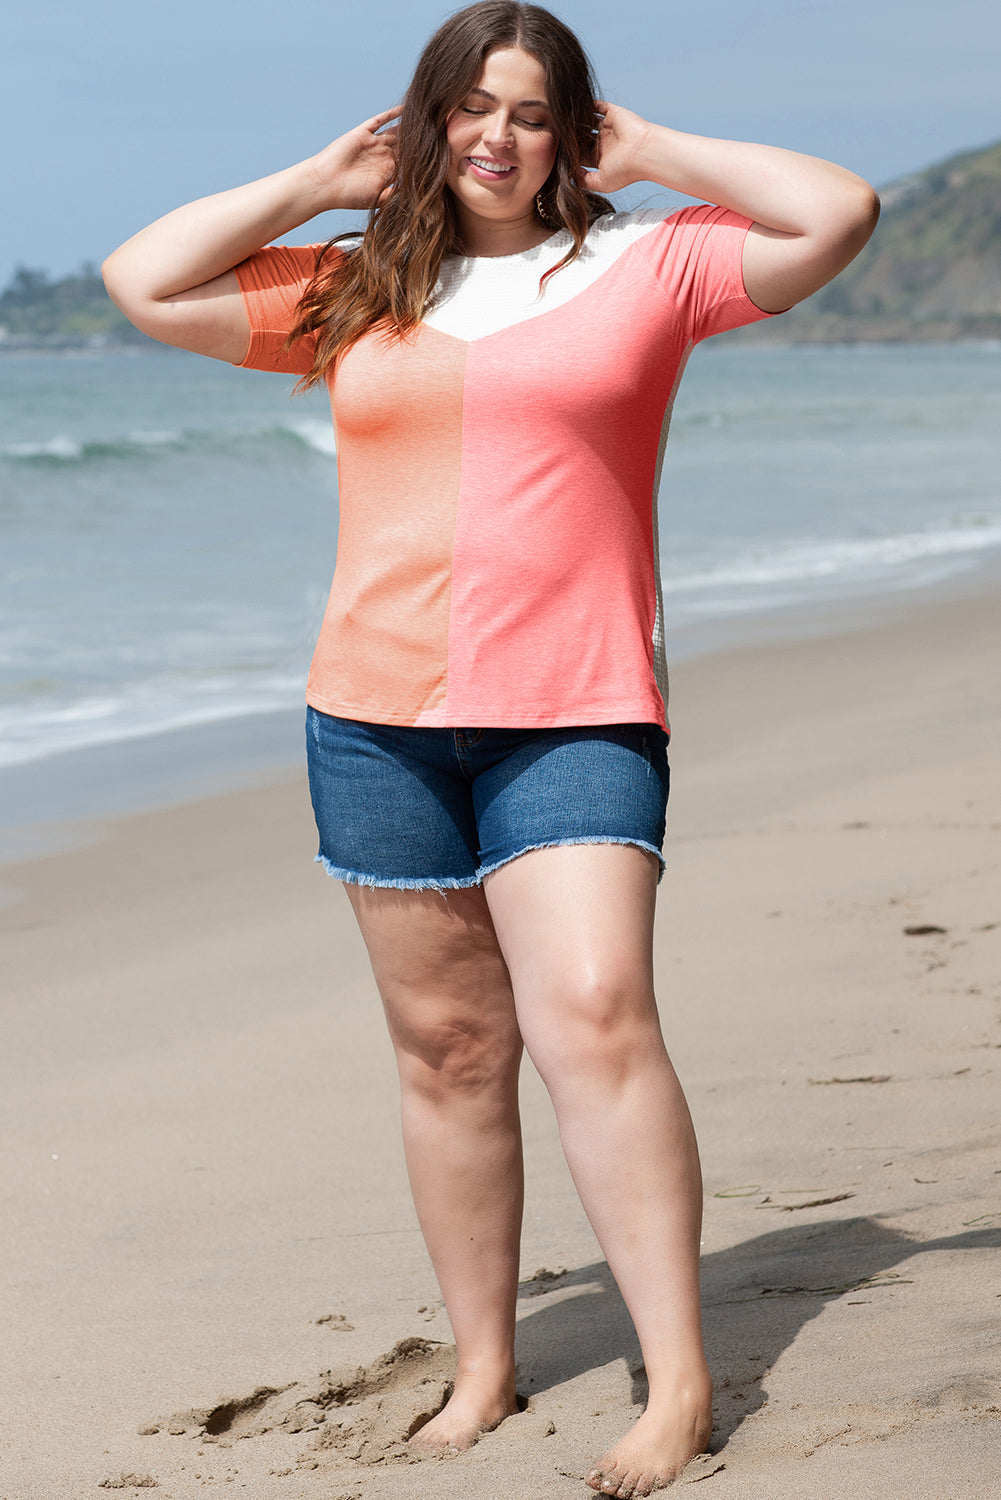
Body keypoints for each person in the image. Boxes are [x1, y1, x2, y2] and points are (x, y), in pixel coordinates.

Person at [102, 3, 878, 1493]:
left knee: (590, 1010)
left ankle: (677, 1386)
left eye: (527, 110)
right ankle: (481, 1371)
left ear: (568, 129)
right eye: (466, 108)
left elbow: (834, 208)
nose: (493, 137)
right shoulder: (348, 289)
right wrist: (312, 182)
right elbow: (144, 281)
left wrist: (648, 153)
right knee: (451, 1050)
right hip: (376, 722)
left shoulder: (652, 265)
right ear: (422, 122)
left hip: (577, 708)